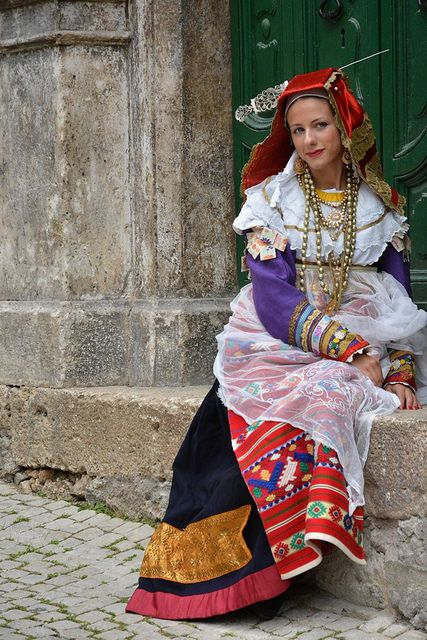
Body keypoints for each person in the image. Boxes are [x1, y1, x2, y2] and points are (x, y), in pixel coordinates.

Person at [126, 67, 427, 621]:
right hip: (280, 338)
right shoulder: (272, 199)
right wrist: (350, 350)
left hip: (361, 333)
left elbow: (399, 304)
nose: (309, 141)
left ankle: (300, 544)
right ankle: (231, 577)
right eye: (297, 130)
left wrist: (401, 372)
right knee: (226, 455)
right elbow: (270, 296)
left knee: (331, 393)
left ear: (346, 130)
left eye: (320, 126)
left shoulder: (382, 210)